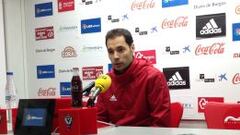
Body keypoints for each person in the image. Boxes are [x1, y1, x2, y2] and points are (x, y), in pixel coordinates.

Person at [96, 28, 171, 127]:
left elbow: (161, 124)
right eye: (110, 51)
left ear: (132, 48)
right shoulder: (105, 81)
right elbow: (99, 121)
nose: (115, 56)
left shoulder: (153, 77)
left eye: (120, 50)